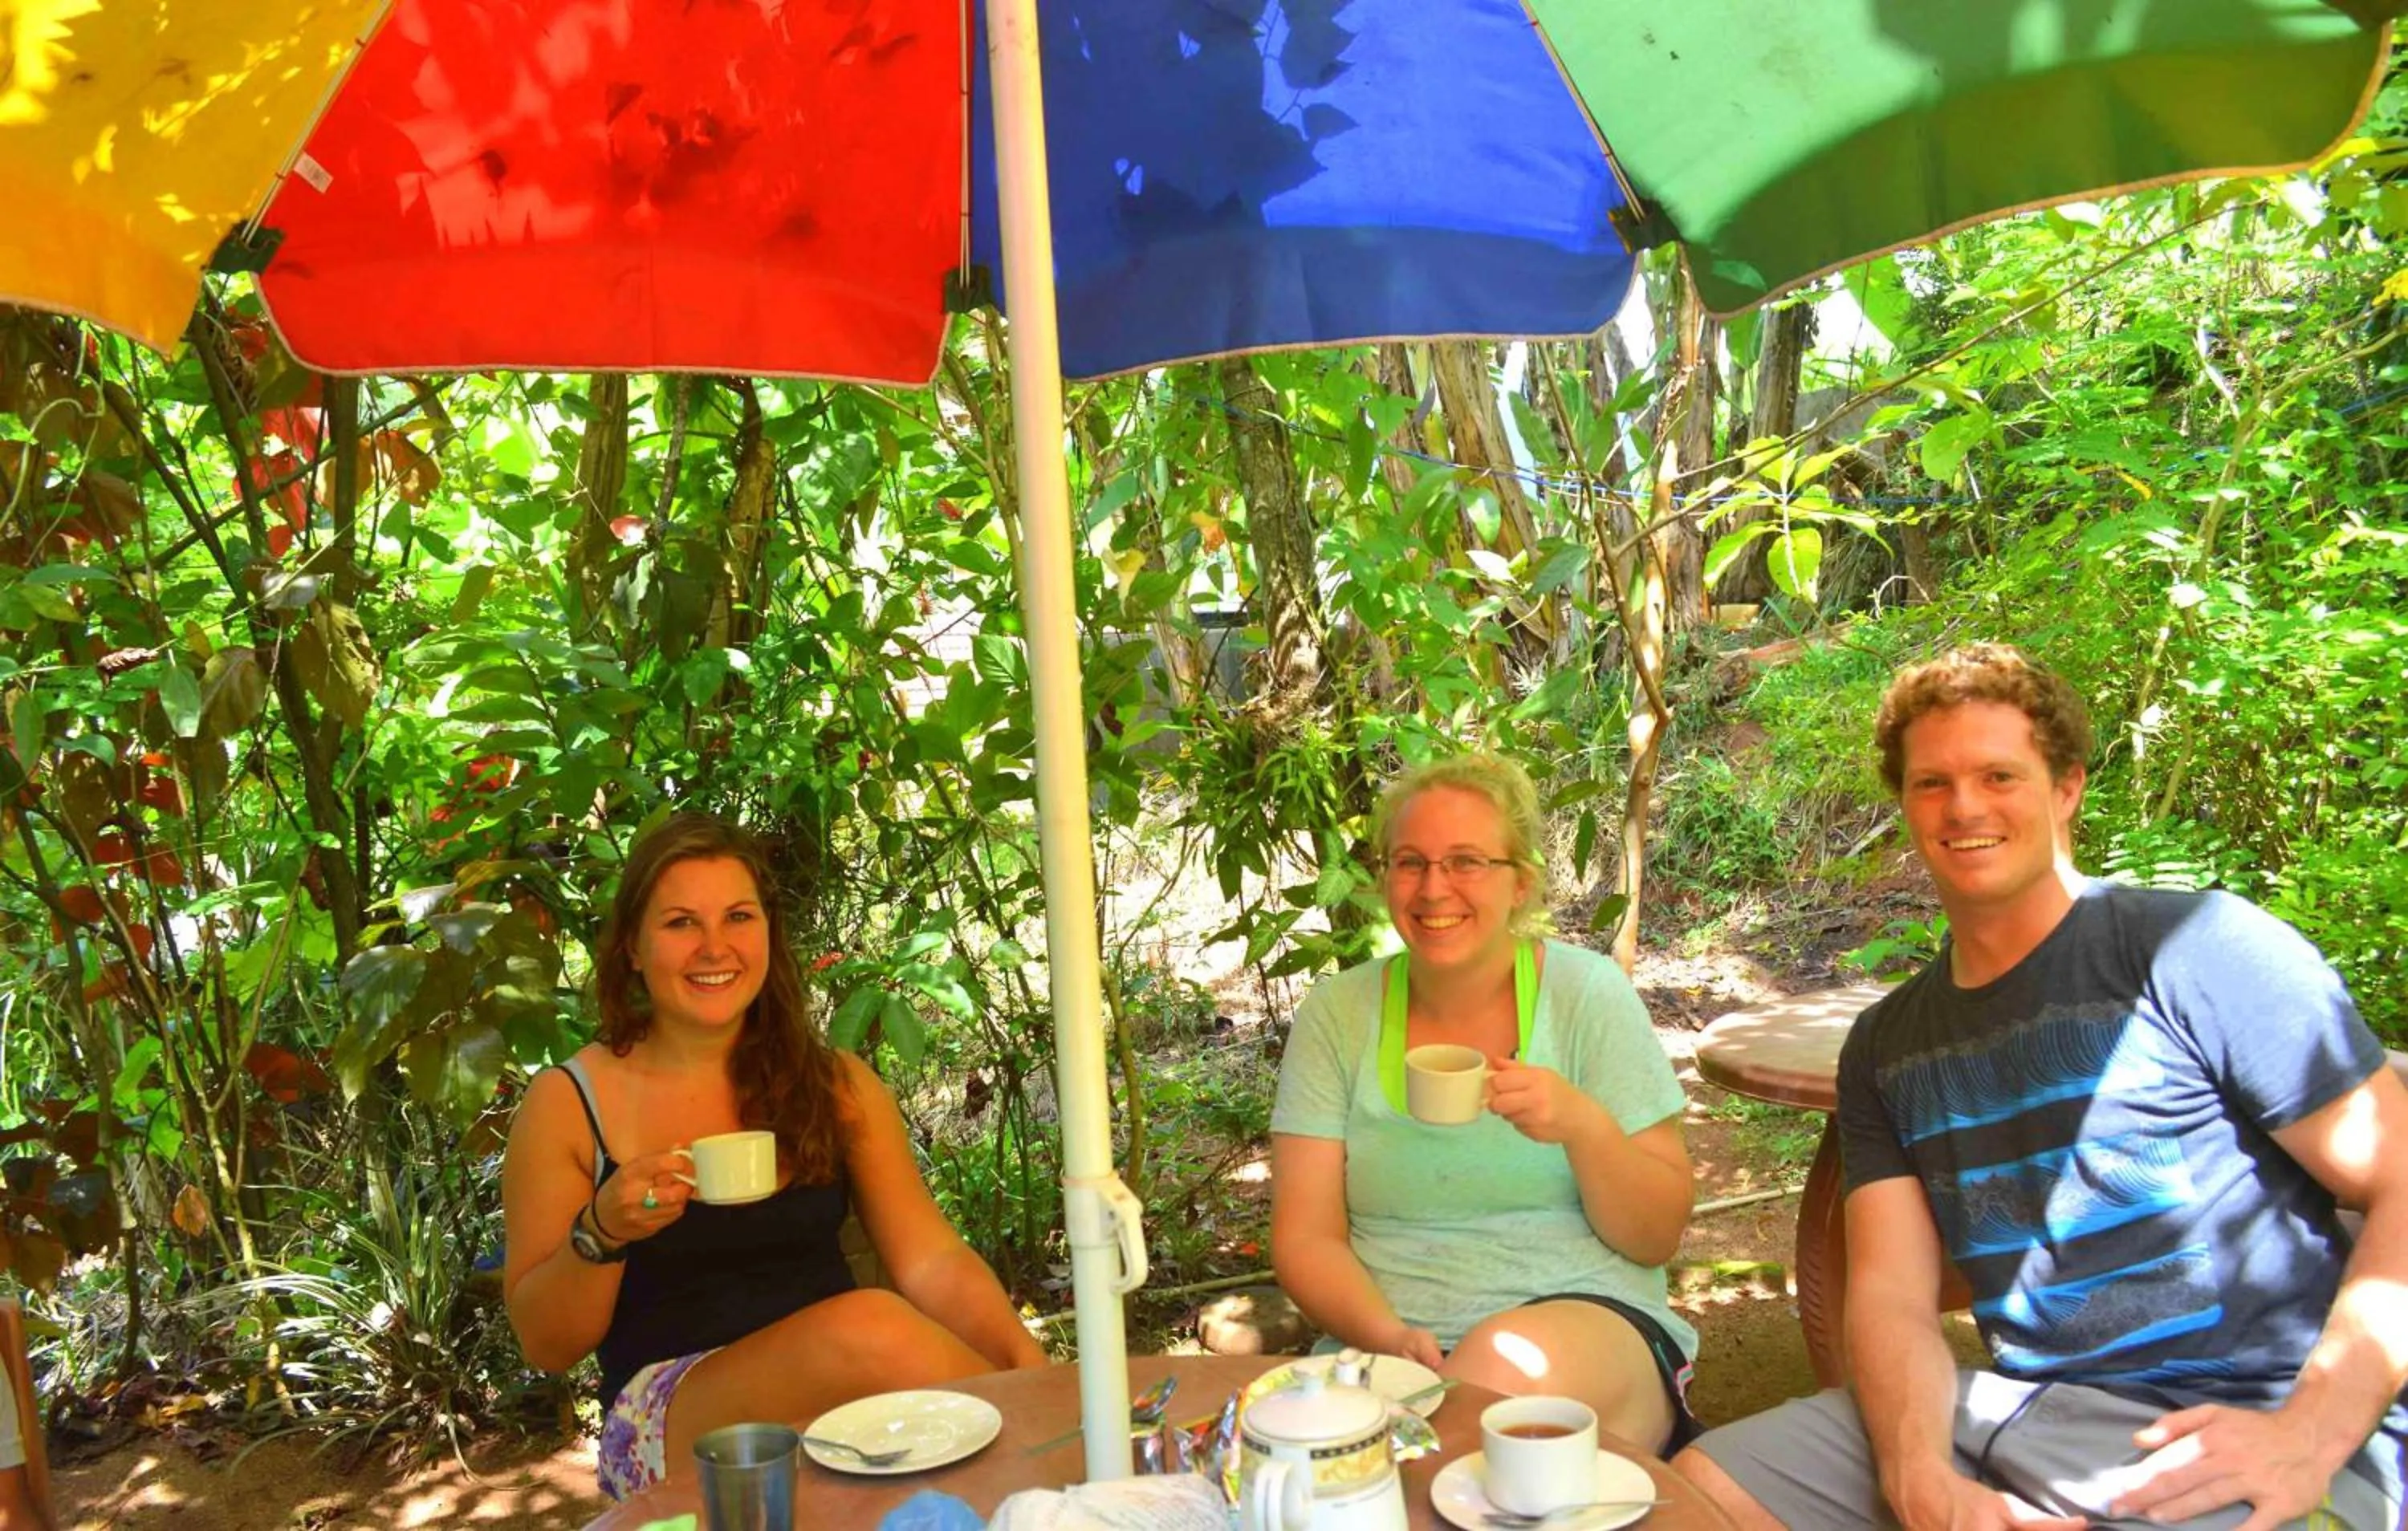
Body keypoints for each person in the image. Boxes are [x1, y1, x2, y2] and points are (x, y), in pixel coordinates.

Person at [1674, 644, 2408, 1529]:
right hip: (2019, 1415)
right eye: (1931, 783)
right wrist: (1915, 1475)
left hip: (2249, 1421)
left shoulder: (2194, 948)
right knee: (1693, 1493)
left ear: (2066, 789)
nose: (1965, 806)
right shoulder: (1887, 1045)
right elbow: (1893, 1301)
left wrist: (2311, 1433)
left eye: (1998, 774)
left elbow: (2399, 1182)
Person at [502, 812, 1046, 1501]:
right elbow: (546, 1346)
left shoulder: (835, 1083)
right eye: (680, 923)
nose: (714, 947)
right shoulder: (569, 1103)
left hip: (846, 1405)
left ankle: (1049, 1445)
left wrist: (1027, 1362)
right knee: (868, 1327)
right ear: (633, 948)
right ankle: (1061, 1460)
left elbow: (931, 1260)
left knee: (932, 1413)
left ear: (768, 932)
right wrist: (603, 1232)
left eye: (738, 917)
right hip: (669, 1420)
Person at [1268, 753, 1700, 1454]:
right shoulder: (1339, 1013)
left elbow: (1656, 1235)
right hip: (1390, 1353)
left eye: (1466, 862)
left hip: (1585, 1320)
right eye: (1410, 862)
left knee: (1483, 1394)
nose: (1434, 888)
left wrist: (1582, 1127)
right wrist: (1386, 1336)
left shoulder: (1585, 995)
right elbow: (1306, 1236)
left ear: (1521, 882)